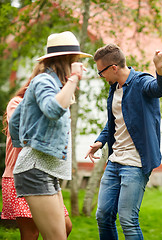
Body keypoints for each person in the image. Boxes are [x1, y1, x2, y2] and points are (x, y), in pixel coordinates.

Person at [8, 31, 91, 240]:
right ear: (66, 60)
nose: (77, 66)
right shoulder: (43, 81)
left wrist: (27, 143)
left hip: (47, 171)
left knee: (62, 232)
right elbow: (53, 110)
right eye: (75, 61)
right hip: (37, 170)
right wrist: (73, 79)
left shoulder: (54, 84)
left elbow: (16, 121)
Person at [84, 43, 162, 240]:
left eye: (101, 72)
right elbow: (114, 121)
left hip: (136, 163)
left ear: (113, 67)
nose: (101, 77)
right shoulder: (114, 89)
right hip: (115, 161)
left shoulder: (142, 82)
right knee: (103, 216)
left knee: (127, 220)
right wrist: (100, 141)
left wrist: (159, 69)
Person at [2, 79, 72, 239]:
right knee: (31, 234)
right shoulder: (16, 103)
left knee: (66, 226)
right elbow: (23, 130)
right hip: (18, 175)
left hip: (43, 174)